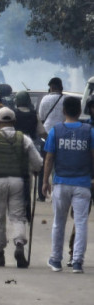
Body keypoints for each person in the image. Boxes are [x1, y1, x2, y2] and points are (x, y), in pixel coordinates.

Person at [0, 107, 42, 268]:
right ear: (14, 121)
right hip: (19, 182)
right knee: (18, 217)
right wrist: (34, 170)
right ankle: (19, 244)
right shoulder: (24, 138)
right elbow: (38, 162)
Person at [42, 96, 94, 274]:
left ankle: (56, 260)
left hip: (61, 183)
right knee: (81, 223)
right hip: (82, 184)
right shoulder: (89, 131)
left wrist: (45, 181)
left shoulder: (55, 131)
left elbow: (49, 158)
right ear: (80, 111)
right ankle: (77, 262)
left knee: (59, 222)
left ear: (63, 111)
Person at [13, 91, 48, 201]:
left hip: (15, 147)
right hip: (30, 147)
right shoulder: (34, 115)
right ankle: (27, 197)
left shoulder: (13, 114)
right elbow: (42, 132)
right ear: (28, 101)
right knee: (31, 172)